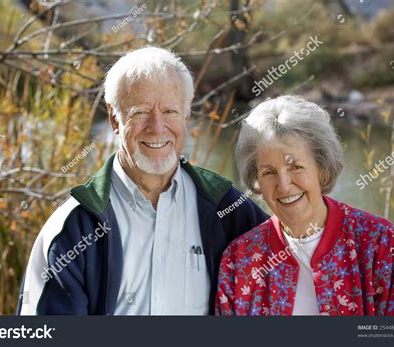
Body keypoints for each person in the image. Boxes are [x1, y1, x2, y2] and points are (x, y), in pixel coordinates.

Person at [17, 46, 269, 315]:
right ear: (114, 118)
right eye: (139, 112)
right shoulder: (72, 229)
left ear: (186, 116)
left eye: (170, 111)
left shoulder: (231, 211)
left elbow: (292, 269)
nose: (157, 127)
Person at [216, 95, 394, 316]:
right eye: (269, 172)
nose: (284, 185)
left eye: (296, 167)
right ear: (257, 180)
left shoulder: (378, 242)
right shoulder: (240, 260)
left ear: (321, 168)